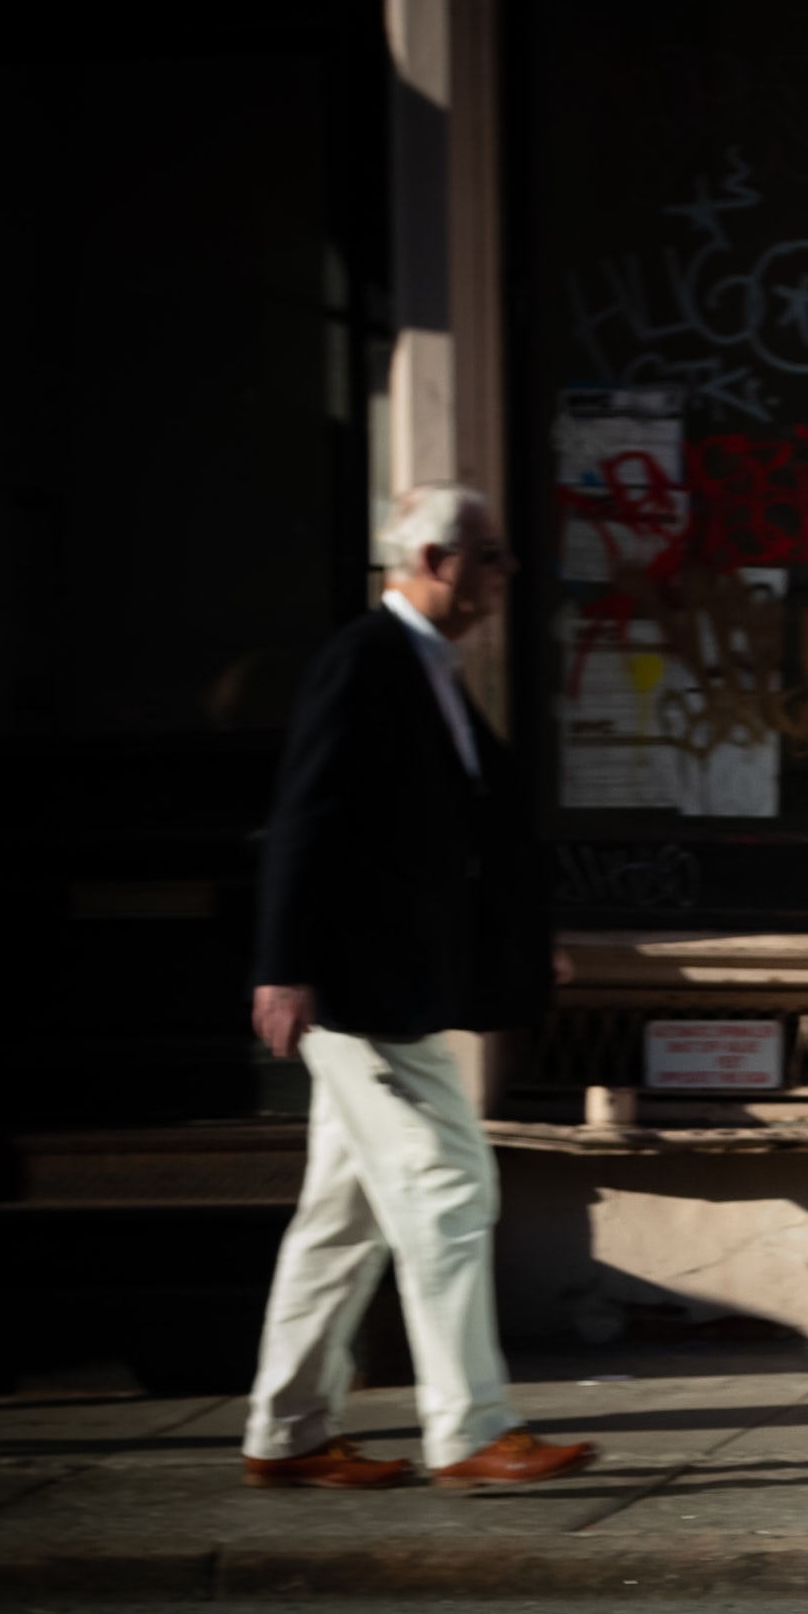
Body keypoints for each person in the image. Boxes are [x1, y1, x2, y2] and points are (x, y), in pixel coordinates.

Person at [237, 485, 597, 1491]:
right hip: (356, 993)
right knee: (449, 1187)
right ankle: (472, 1426)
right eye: (491, 554)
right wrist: (282, 966)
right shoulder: (364, 662)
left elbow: (465, 836)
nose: (506, 571)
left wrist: (527, 945)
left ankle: (288, 1430)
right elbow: (305, 817)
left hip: (387, 984)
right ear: (437, 560)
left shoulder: (429, 668)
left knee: (342, 1218)